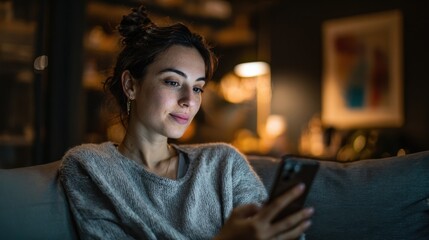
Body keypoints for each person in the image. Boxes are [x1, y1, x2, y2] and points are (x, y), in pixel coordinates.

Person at [59, 4, 314, 240]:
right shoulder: (90, 168)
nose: (189, 101)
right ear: (130, 85)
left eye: (198, 88)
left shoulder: (224, 164)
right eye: (173, 82)